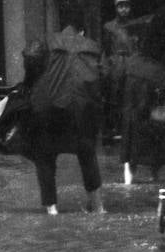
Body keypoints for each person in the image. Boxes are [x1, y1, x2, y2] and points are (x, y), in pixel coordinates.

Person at [21, 19, 106, 214]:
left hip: (50, 109)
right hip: (82, 111)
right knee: (87, 154)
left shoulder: (48, 41)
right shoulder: (93, 47)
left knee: (45, 156)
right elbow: (106, 75)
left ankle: (52, 210)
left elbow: (30, 55)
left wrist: (31, 82)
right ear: (81, 32)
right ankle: (98, 206)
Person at [119, 31, 165, 185]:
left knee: (130, 154)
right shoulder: (158, 68)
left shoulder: (129, 64)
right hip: (151, 117)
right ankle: (155, 180)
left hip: (131, 115)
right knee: (154, 154)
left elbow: (118, 86)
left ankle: (128, 182)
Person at [101, 0, 139, 137]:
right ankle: (113, 127)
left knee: (130, 95)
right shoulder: (109, 26)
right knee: (114, 95)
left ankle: (128, 127)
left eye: (126, 6)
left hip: (131, 61)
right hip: (116, 62)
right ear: (116, 8)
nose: (124, 9)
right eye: (120, 6)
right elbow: (106, 47)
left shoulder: (134, 26)